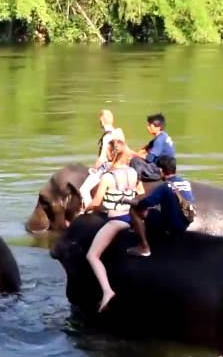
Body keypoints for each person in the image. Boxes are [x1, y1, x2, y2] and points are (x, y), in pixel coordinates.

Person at [83, 129, 144, 312]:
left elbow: (96, 202)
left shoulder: (108, 177)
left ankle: (107, 291)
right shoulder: (133, 172)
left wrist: (86, 210)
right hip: (132, 218)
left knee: (92, 256)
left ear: (110, 154)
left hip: (116, 220)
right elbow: (140, 193)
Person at [127, 156, 195, 257]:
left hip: (173, 226)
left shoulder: (165, 187)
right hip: (186, 222)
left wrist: (128, 201)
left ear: (160, 170)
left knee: (134, 210)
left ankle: (144, 247)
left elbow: (145, 203)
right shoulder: (185, 182)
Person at [80, 109, 121, 209]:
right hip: (119, 165)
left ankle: (89, 212)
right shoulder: (118, 132)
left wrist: (93, 169)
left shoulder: (106, 136)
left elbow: (102, 158)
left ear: (102, 121)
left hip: (107, 167)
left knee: (83, 189)